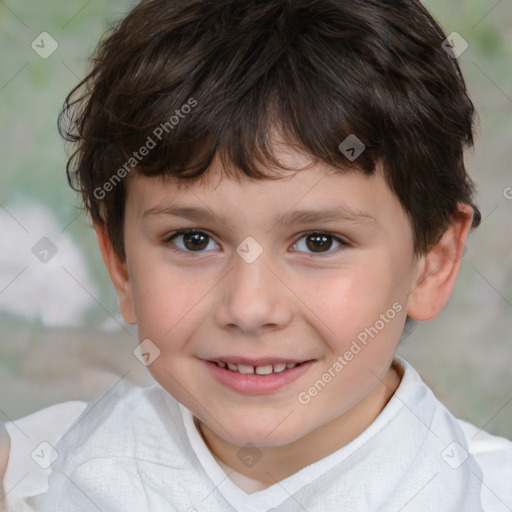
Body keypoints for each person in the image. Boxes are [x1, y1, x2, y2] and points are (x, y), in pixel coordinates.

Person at [1, 0, 511, 510]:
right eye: (194, 240)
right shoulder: (29, 478)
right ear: (121, 265)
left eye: (319, 241)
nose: (249, 308)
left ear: (433, 261)